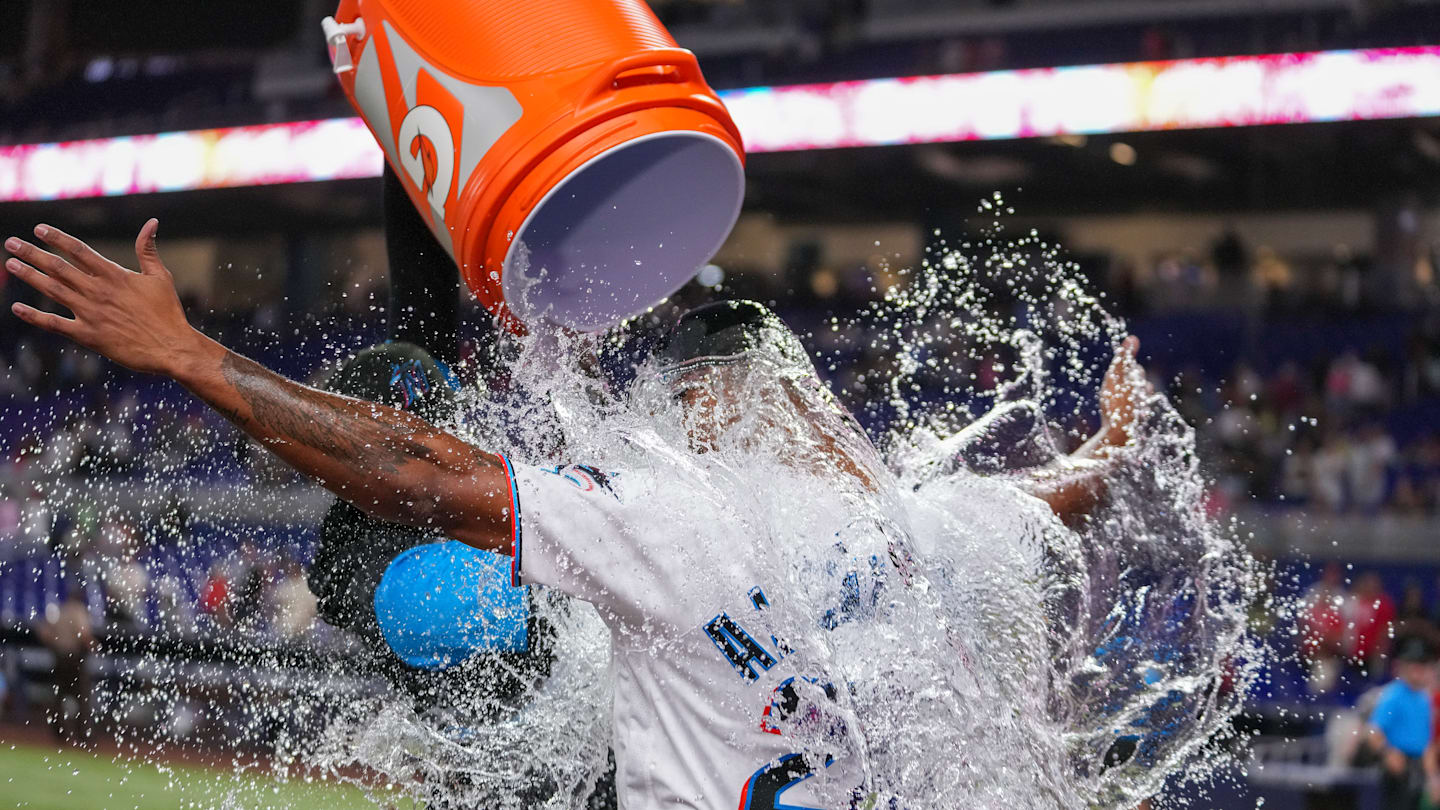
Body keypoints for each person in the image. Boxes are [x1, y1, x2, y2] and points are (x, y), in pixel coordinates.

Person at [3, 221, 1148, 809]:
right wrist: (1109, 449)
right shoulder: (899, 522)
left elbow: (417, 469)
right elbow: (1045, 503)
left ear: (708, 417)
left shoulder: (681, 523)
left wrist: (190, 353)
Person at [1364, 637, 1436, 809]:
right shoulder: (1393, 695)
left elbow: (1426, 741)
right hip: (1398, 765)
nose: (1418, 671)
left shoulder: (1424, 698)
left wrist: (1432, 777)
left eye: (1422, 665)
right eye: (1414, 665)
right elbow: (1373, 731)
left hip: (1418, 765)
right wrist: (1387, 753)